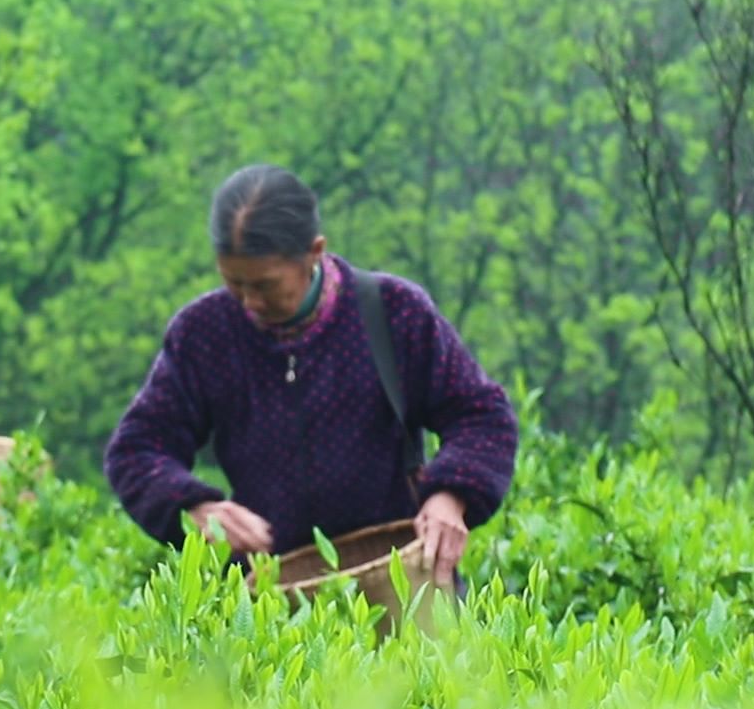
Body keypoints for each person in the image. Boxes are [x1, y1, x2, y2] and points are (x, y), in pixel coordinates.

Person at [103, 165, 517, 587]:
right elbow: (136, 451)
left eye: (265, 286)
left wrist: (451, 496)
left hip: (404, 582)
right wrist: (195, 509)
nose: (248, 302)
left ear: (314, 251)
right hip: (272, 600)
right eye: (234, 284)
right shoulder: (204, 335)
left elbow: (481, 414)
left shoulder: (393, 312)